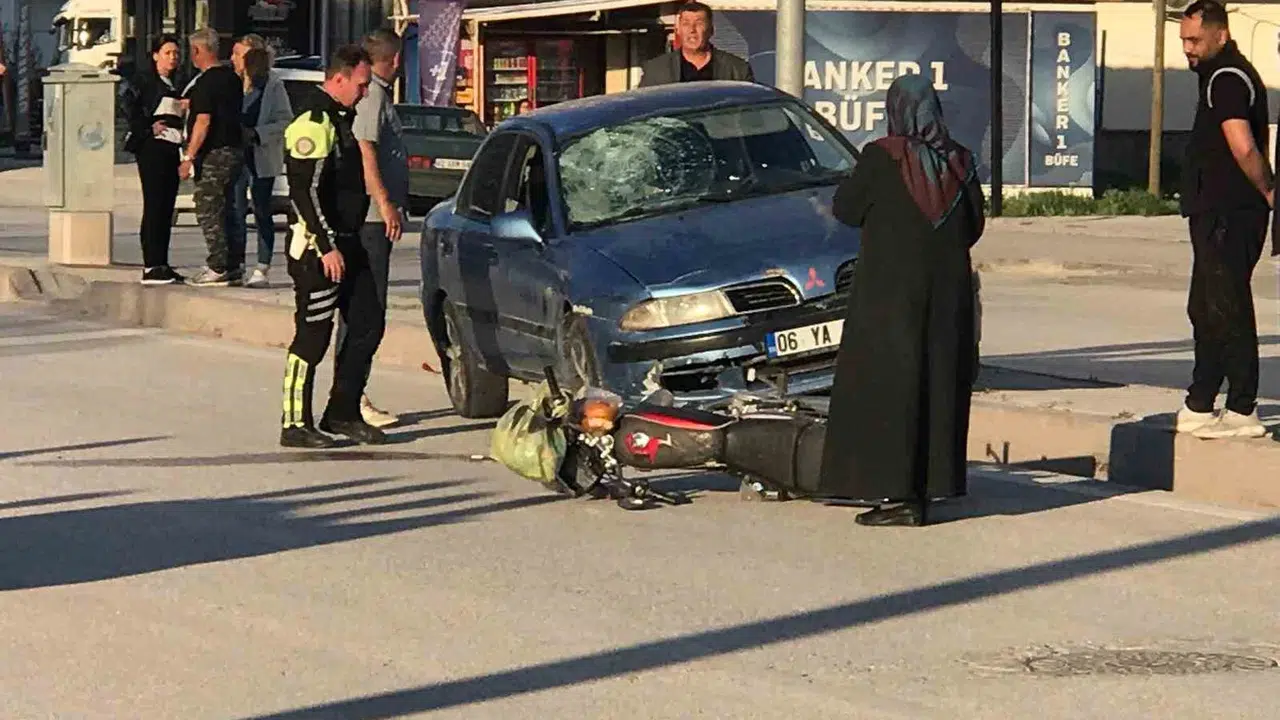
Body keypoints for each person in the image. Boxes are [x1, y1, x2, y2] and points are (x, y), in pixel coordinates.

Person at [816, 73, 985, 528]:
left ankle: (898, 496)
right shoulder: (961, 161)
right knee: (937, 385)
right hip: (947, 297)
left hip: (889, 296)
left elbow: (847, 209)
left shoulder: (881, 157)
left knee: (892, 389)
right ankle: (933, 487)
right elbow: (973, 227)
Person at [1174, 1, 1273, 440]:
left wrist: (1269, 191)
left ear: (1221, 35)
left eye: (1194, 40)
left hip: (1231, 213)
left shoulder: (1228, 78)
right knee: (1205, 306)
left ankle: (1241, 409)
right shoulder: (1219, 77)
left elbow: (1243, 145)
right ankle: (1201, 401)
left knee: (1227, 305)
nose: (1188, 50)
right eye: (1183, 41)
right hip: (1215, 211)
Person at [277, 44, 383, 449]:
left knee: (367, 323)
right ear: (338, 78)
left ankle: (342, 411)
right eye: (360, 84)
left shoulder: (341, 119)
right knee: (313, 335)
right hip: (316, 251)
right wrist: (325, 247)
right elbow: (304, 193)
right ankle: (294, 422)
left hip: (349, 242)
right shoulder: (312, 121)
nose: (364, 92)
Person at [332, 27, 408, 429]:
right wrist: (384, 202)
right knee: (365, 311)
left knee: (364, 309)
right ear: (394, 60)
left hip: (375, 218)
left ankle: (350, 393)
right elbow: (366, 148)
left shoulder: (375, 92)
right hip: (372, 222)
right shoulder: (373, 94)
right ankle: (351, 396)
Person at [180, 27, 247, 287]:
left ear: (197, 51)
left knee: (209, 207)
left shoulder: (206, 82)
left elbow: (204, 121)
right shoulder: (231, 78)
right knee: (230, 208)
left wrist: (189, 156)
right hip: (234, 151)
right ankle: (233, 265)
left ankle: (218, 265)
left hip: (215, 154)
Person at [228, 35, 293, 288]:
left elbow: (285, 120)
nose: (233, 59)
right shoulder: (232, 83)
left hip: (260, 154)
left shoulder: (272, 85)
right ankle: (236, 264)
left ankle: (262, 267)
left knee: (261, 210)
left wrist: (258, 134)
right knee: (235, 210)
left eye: (238, 54)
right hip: (236, 156)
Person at [123, 34, 185, 285]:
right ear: (156, 55)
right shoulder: (144, 82)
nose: (173, 58)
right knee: (154, 204)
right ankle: (151, 264)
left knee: (166, 207)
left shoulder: (175, 82)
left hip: (171, 147)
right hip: (152, 149)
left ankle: (162, 262)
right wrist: (148, 127)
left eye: (176, 53)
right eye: (168, 53)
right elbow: (129, 107)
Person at [637, 2, 753, 87]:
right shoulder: (656, 70)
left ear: (711, 30)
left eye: (699, 23)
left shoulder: (737, 71)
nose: (692, 30)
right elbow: (642, 110)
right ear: (678, 30)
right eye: (686, 24)